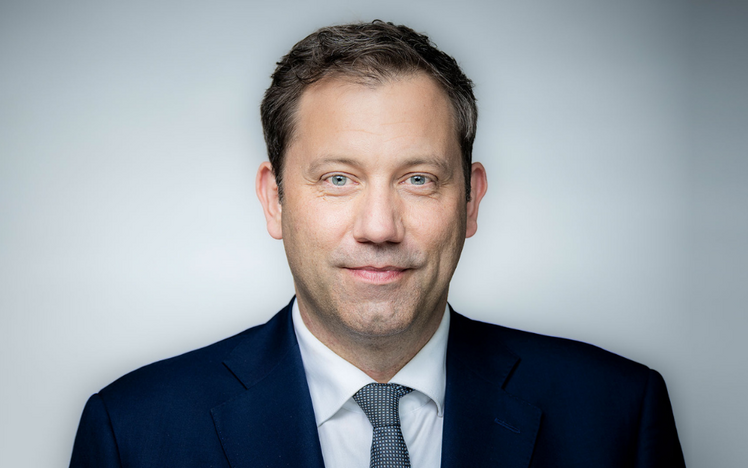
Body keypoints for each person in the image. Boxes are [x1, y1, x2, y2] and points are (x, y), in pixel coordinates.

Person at [69, 21, 685, 468]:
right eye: (338, 179)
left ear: (471, 201)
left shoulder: (616, 414)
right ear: (274, 200)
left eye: (418, 179)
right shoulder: (134, 432)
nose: (380, 227)